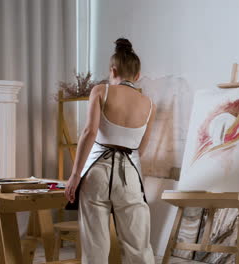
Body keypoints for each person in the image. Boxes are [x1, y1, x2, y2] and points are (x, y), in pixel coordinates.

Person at [65, 38, 156, 263]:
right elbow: (140, 149)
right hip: (130, 174)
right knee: (138, 246)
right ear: (137, 75)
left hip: (97, 172)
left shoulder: (101, 91)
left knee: (95, 246)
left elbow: (89, 132)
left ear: (112, 70)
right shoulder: (149, 104)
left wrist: (75, 175)